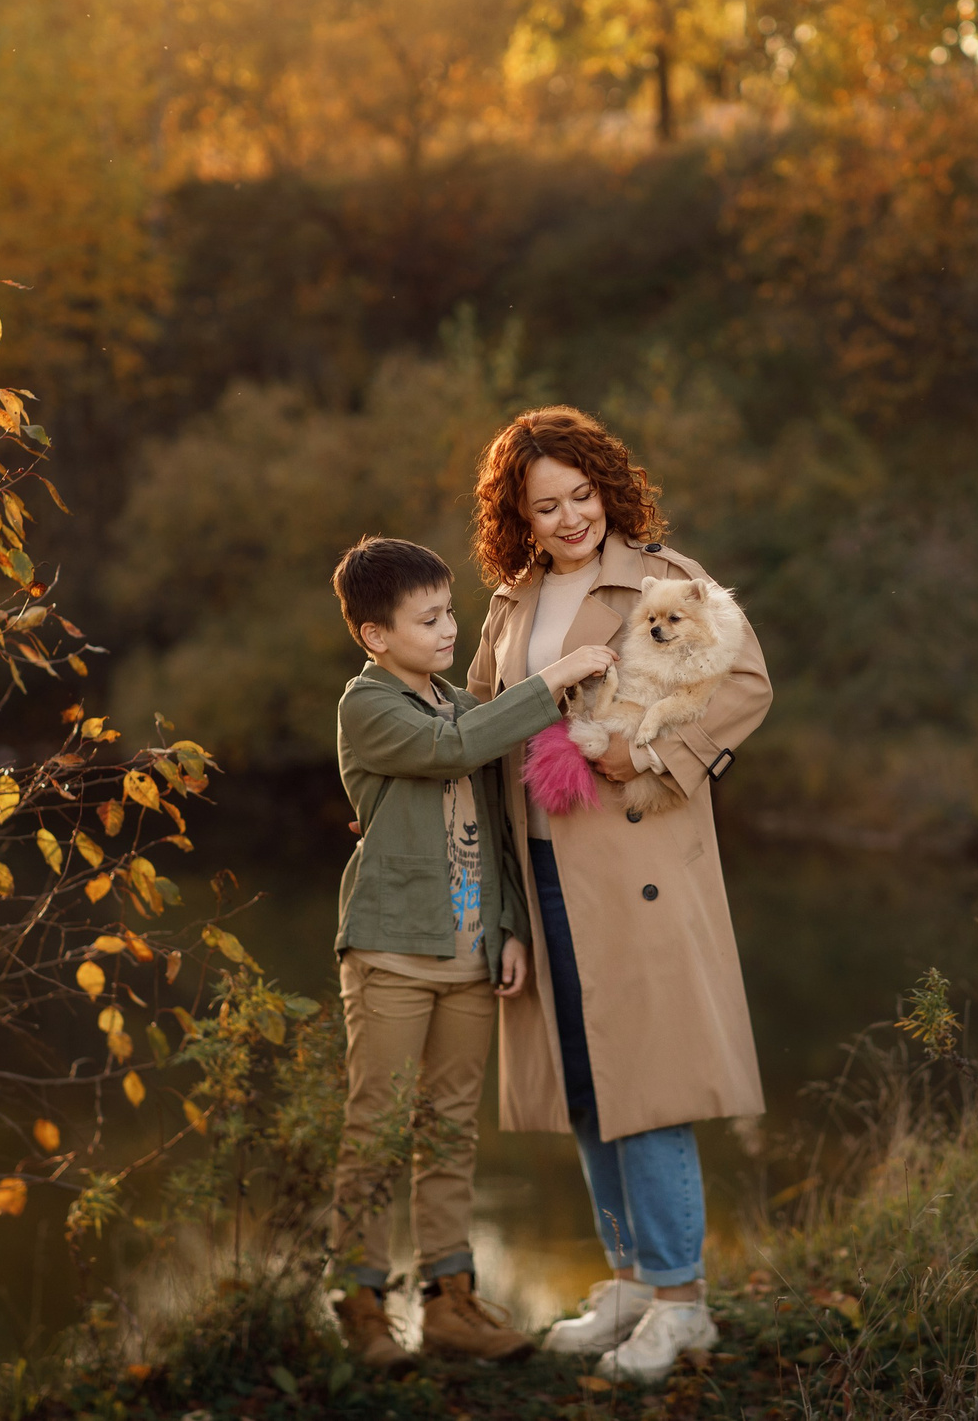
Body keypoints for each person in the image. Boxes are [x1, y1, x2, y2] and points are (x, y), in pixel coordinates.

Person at [464, 408, 773, 1384]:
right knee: (589, 1090)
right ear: (517, 515)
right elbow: (477, 726)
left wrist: (642, 751)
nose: (568, 519)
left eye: (581, 496)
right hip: (545, 862)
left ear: (608, 487)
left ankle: (683, 1304)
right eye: (544, 505)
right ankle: (633, 1284)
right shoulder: (509, 606)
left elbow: (748, 685)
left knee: (649, 1089)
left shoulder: (666, 579)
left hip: (636, 872)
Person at [323, 536, 618, 1374]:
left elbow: (495, 826)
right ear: (376, 635)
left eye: (450, 611)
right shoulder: (367, 705)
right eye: (429, 618)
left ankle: (450, 1301)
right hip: (391, 953)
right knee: (375, 1129)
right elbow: (453, 752)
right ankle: (361, 1301)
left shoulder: (460, 702)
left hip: (469, 956)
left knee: (449, 1131)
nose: (450, 628)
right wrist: (547, 684)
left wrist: (513, 925)